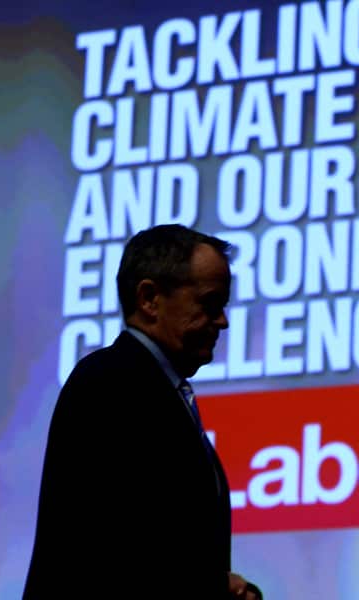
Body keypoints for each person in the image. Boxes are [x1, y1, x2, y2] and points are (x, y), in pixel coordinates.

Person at [24, 225, 261, 599]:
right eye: (209, 303)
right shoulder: (109, 385)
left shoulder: (148, 389)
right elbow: (109, 548)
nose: (222, 321)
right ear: (150, 298)